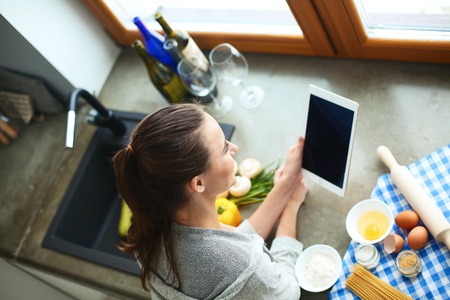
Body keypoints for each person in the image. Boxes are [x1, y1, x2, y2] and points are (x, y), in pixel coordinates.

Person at [113, 103, 308, 300]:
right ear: (198, 183)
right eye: (224, 148)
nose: (235, 147)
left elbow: (231, 247)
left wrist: (284, 187)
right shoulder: (238, 266)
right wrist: (291, 206)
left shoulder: (150, 228)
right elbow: (287, 291)